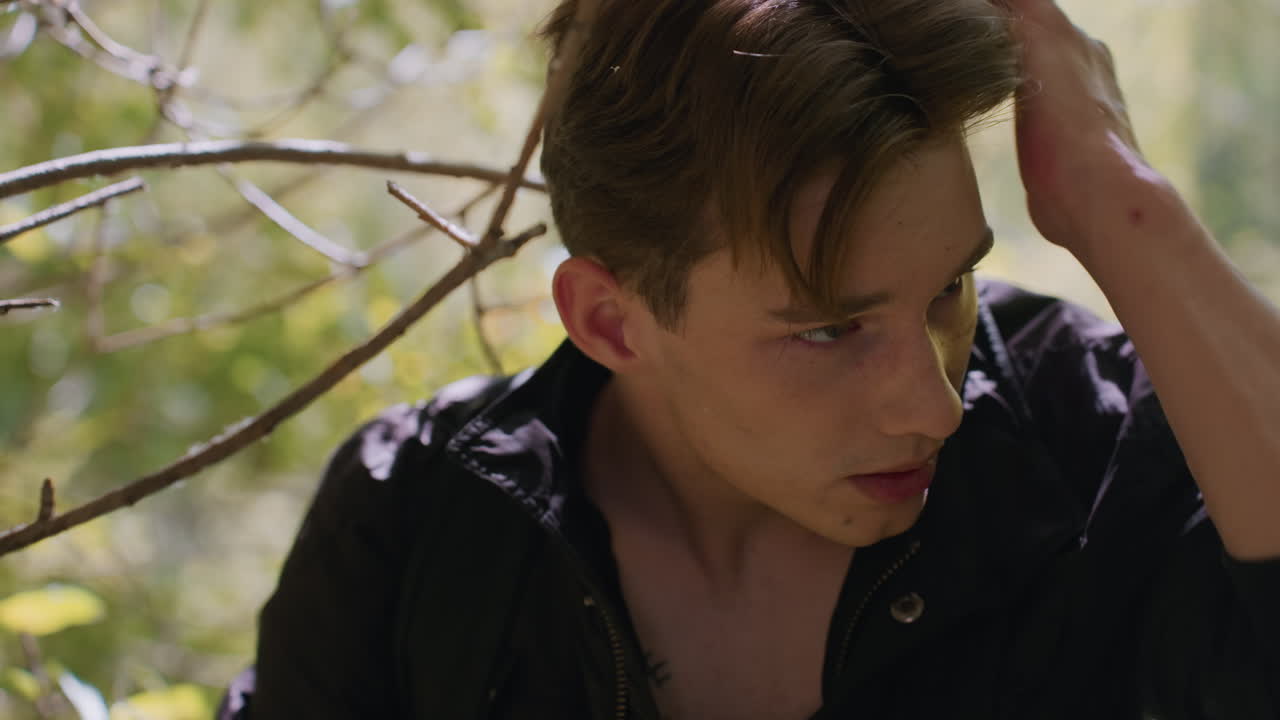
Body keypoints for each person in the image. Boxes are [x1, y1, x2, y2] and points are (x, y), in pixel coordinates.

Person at [218, 0, 1280, 717]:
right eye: (826, 329)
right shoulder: (414, 527)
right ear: (611, 322)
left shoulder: (1091, 443)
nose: (931, 403)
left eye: (945, 289)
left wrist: (1122, 205)